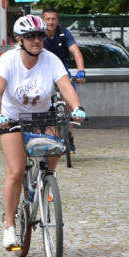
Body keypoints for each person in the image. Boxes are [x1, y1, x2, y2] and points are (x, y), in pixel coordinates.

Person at [0, 14, 86, 251]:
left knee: (57, 143)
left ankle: (45, 182)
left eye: (41, 35)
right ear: (19, 39)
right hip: (12, 118)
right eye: (31, 36)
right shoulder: (8, 60)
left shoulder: (51, 60)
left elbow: (65, 87)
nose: (37, 40)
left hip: (42, 116)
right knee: (16, 170)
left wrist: (78, 108)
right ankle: (10, 227)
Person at [41, 8, 86, 152]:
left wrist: (81, 70)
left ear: (57, 20)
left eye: (53, 19)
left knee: (69, 100)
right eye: (48, 19)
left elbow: (76, 51)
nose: (51, 22)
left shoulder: (64, 33)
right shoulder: (39, 34)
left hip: (61, 71)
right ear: (43, 20)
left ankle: (69, 136)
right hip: (44, 70)